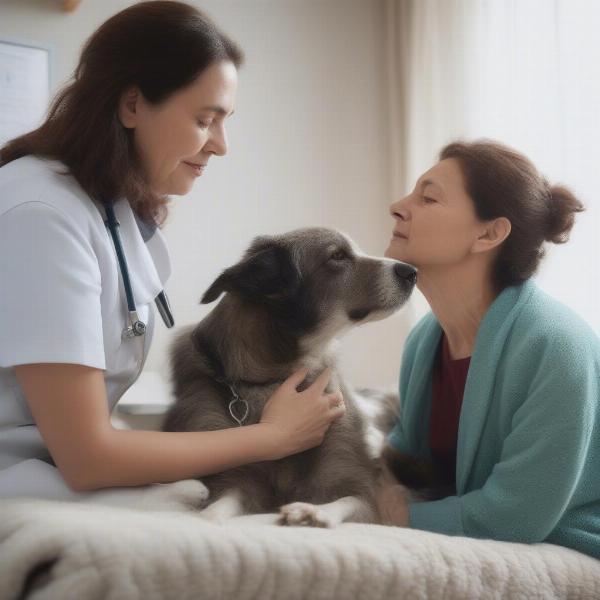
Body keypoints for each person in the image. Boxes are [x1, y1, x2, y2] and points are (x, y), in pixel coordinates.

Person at [0, 1, 344, 502]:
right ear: (133, 105)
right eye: (207, 119)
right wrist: (271, 438)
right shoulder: (41, 214)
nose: (221, 145)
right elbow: (88, 456)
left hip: (50, 474)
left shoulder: (109, 210)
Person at [376, 140, 600, 560]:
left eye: (428, 197)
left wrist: (394, 514)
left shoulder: (555, 345)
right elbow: (405, 463)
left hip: (576, 549)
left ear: (489, 232)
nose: (398, 206)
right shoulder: (425, 340)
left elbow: (515, 516)